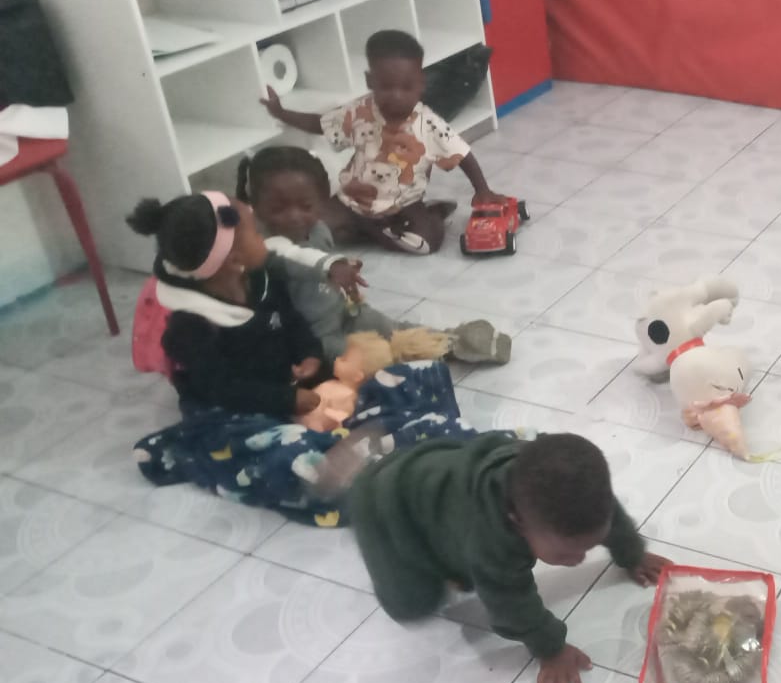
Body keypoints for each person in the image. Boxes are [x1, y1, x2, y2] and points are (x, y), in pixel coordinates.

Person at [348, 431, 672, 683]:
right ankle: (352, 478)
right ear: (518, 522)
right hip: (383, 505)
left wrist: (632, 554)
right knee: (413, 603)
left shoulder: (566, 488)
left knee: (461, 561)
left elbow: (610, 516)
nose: (579, 560)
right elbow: (510, 606)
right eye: (565, 554)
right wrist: (551, 650)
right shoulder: (492, 539)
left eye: (587, 548)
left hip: (431, 472)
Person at [236, 145, 510, 363]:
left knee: (388, 326)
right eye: (279, 208)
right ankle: (414, 356)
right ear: (255, 205)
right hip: (311, 337)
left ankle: (449, 342)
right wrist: (332, 265)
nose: (294, 217)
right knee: (369, 357)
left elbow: (324, 268)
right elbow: (297, 257)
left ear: (322, 200)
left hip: (344, 313)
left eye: (306, 206)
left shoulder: (317, 228)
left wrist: (345, 286)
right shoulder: (263, 244)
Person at [259, 29, 504, 255]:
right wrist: (281, 113)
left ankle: (429, 215)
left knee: (428, 243)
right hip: (352, 201)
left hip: (403, 205)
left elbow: (462, 154)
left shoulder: (428, 124)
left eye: (406, 87)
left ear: (421, 83)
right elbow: (320, 124)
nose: (396, 96)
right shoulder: (359, 112)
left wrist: (482, 190)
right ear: (370, 81)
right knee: (315, 227)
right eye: (386, 86)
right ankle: (375, 231)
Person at [128, 191, 327, 419]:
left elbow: (291, 320)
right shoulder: (190, 326)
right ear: (235, 260)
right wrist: (285, 400)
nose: (264, 239)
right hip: (232, 401)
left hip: (279, 376)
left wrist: (310, 354)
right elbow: (220, 388)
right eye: (257, 233)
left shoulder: (262, 278)